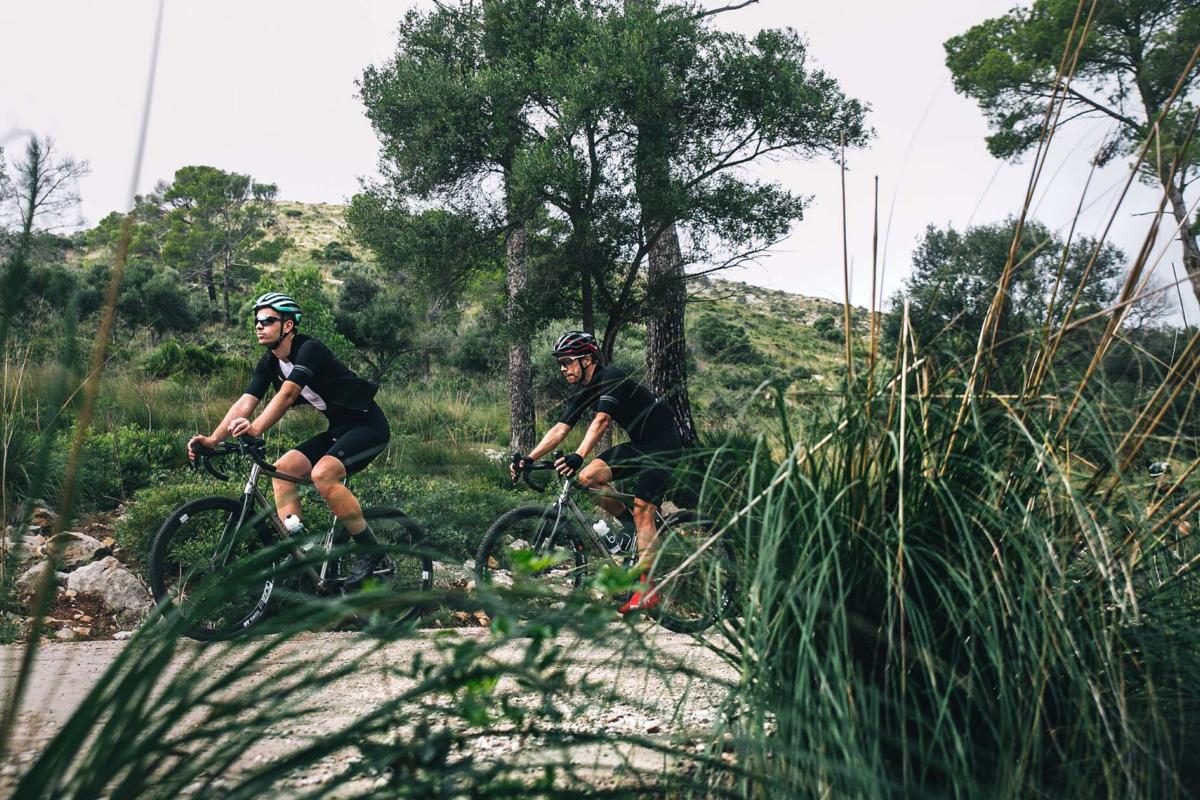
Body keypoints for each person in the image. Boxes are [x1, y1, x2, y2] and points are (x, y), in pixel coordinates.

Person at [188, 292, 391, 585]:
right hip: (338, 429)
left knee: (323, 475)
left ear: (287, 326)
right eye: (256, 321)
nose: (259, 326)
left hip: (368, 427)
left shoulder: (309, 349)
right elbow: (244, 403)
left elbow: (288, 394)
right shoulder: (270, 362)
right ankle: (301, 549)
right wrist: (212, 440)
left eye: (268, 320)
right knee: (282, 470)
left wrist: (255, 429)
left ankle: (370, 548)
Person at [510, 330, 682, 613]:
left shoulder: (611, 376)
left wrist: (578, 455)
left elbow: (602, 420)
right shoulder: (585, 390)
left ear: (587, 359)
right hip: (641, 445)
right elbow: (560, 429)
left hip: (665, 445)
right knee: (587, 478)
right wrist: (529, 458)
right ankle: (632, 530)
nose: (563, 368)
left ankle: (648, 590)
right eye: (560, 363)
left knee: (643, 509)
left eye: (567, 361)